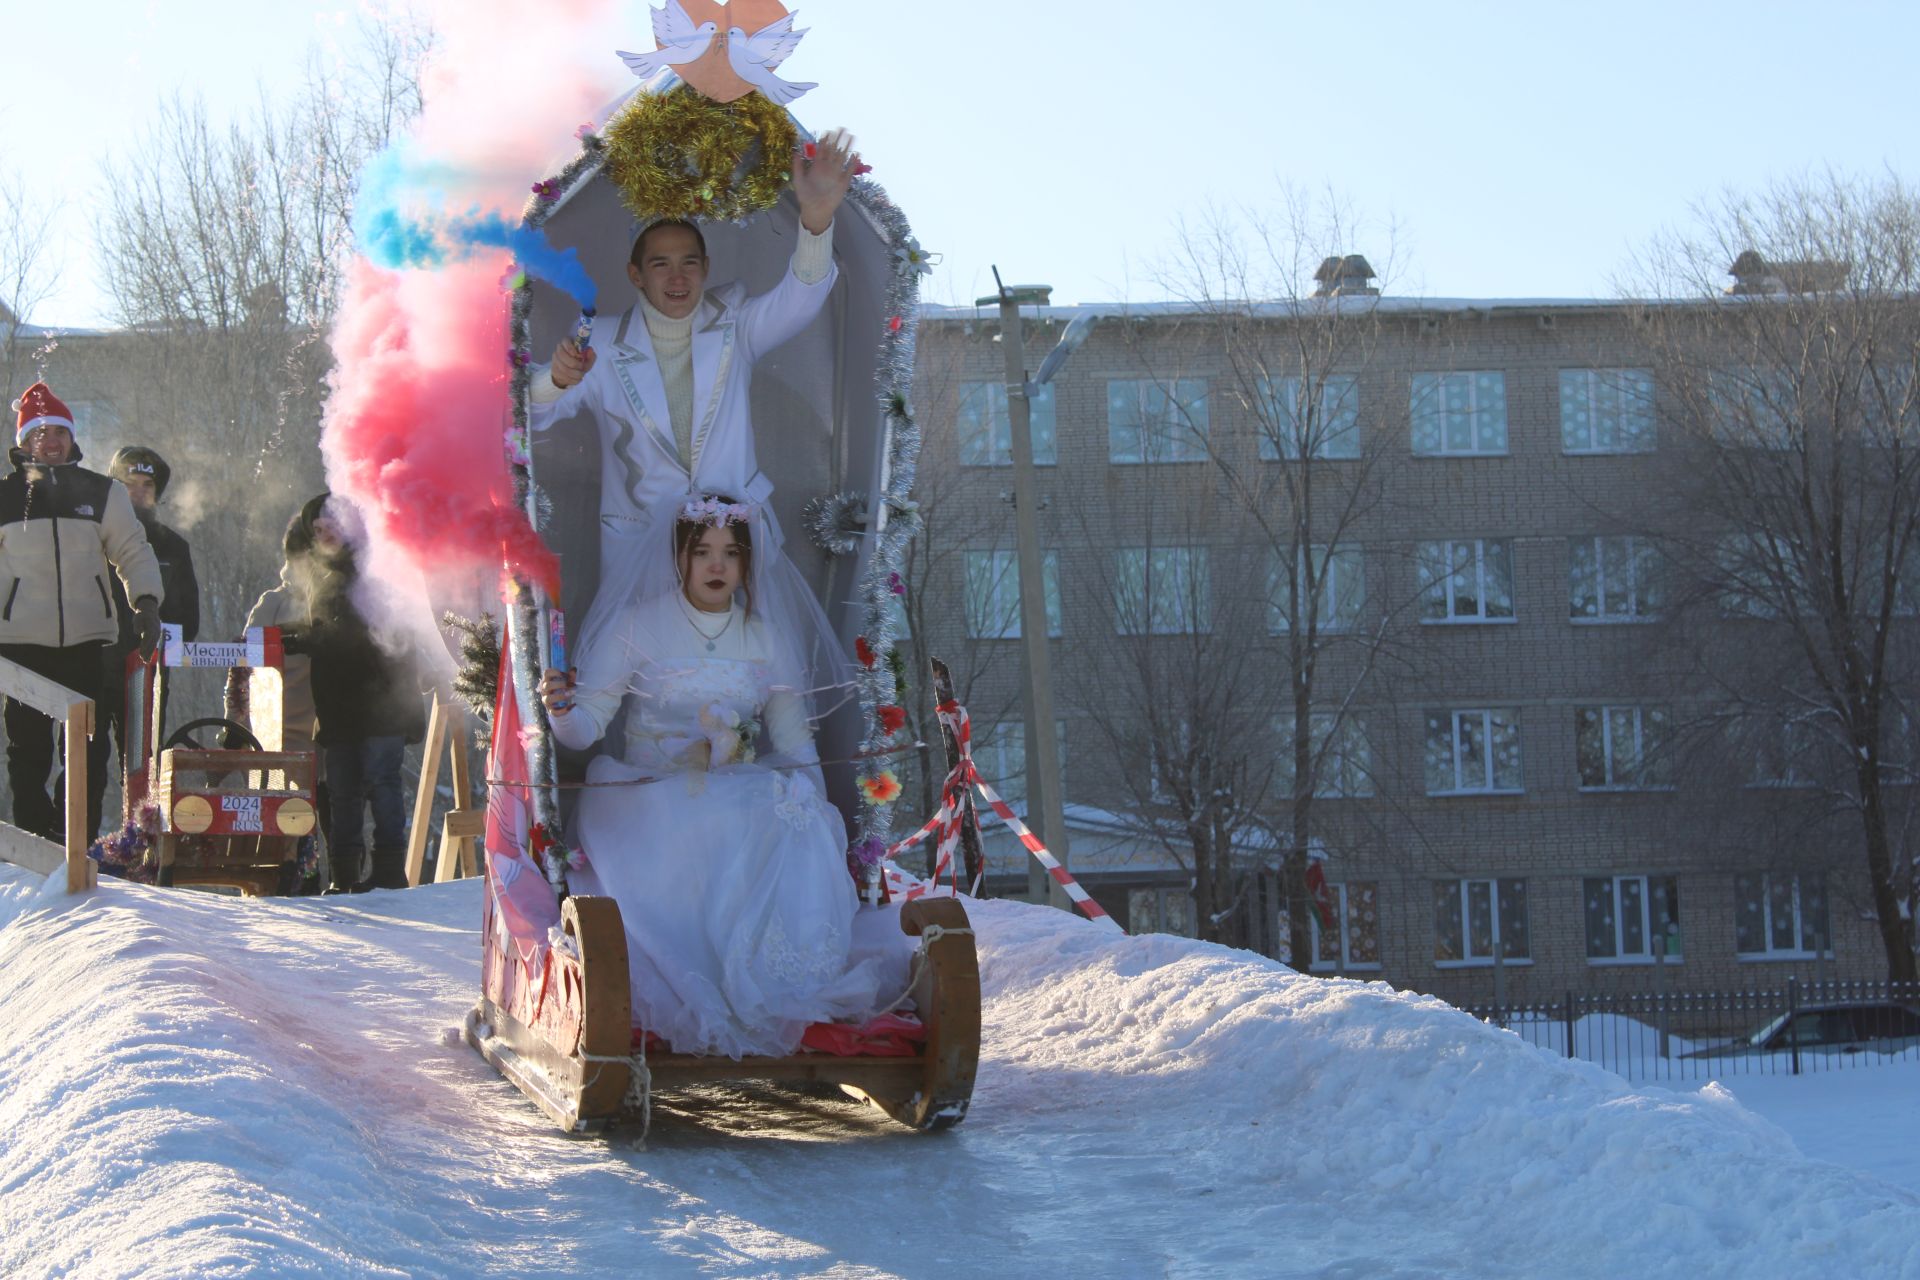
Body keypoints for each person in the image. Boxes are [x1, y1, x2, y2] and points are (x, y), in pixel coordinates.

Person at [539, 493, 883, 1057]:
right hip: (647, 794)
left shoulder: (766, 636)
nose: (717, 566)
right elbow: (586, 729)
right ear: (678, 558)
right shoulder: (635, 626)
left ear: (748, 563)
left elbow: (793, 738)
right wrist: (559, 711)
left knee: (792, 814)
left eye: (730, 553)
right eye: (702, 552)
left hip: (737, 788)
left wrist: (817, 813)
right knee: (722, 822)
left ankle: (780, 986)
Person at [527, 129, 864, 558]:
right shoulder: (602, 342)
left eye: (688, 262)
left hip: (736, 546)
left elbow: (799, 301)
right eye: (660, 264)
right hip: (642, 550)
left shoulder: (735, 323)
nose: (677, 277)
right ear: (636, 275)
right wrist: (555, 380)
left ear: (706, 267)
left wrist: (815, 220)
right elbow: (531, 414)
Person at [0, 383, 163, 840]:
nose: (52, 441)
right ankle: (34, 838)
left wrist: (146, 603)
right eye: (41, 433)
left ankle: (77, 841)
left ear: (72, 438)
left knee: (87, 752)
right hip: (19, 646)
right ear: (24, 441)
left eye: (61, 432)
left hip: (87, 642)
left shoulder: (103, 492)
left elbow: (132, 550)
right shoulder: (5, 496)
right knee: (28, 751)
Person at [278, 493, 426, 892]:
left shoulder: (376, 571)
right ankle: (344, 875)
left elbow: (360, 635)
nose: (325, 536)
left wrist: (304, 638)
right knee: (341, 790)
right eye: (319, 530)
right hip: (338, 705)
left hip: (382, 700)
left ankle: (390, 870)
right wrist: (292, 635)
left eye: (333, 528)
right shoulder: (321, 578)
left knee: (381, 782)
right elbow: (327, 629)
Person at [89, 446, 199, 835]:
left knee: (143, 769)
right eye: (127, 484)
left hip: (146, 675)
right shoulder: (90, 539)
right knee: (84, 764)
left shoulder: (173, 546)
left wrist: (154, 633)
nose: (136, 493)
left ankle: (141, 852)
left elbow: (189, 623)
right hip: (91, 670)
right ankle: (76, 853)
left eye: (146, 485)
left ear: (158, 492)